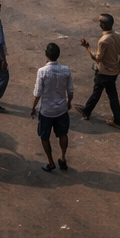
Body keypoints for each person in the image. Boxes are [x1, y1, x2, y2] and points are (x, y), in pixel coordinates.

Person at [30, 42, 74, 172]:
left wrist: (33, 108)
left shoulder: (42, 72)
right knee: (63, 134)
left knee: (44, 136)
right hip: (61, 109)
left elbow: (37, 93)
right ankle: (63, 157)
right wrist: (69, 102)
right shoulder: (65, 70)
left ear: (46, 55)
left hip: (47, 111)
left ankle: (50, 161)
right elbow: (70, 91)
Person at [78, 13, 120, 129]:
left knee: (100, 92)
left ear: (102, 25)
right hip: (114, 71)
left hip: (104, 72)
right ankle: (87, 110)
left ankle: (118, 121)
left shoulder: (103, 40)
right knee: (104, 93)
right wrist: (117, 65)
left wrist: (87, 47)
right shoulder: (118, 36)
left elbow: (97, 58)